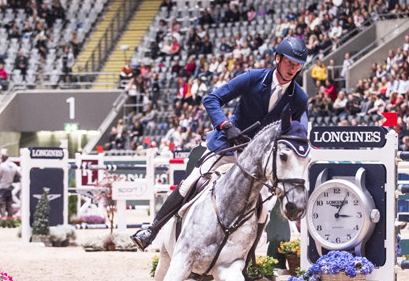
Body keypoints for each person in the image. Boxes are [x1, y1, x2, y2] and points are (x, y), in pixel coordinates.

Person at [130, 37, 310, 255]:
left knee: (265, 207)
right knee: (192, 182)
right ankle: (152, 230)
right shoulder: (253, 78)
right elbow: (211, 99)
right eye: (289, 62)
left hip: (256, 159)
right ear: (277, 58)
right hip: (227, 145)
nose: (293, 68)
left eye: (297, 65)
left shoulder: (298, 96)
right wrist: (226, 125)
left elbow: (301, 128)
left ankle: (251, 259)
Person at [0, 149, 20, 218]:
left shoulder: (2, 166)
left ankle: (3, 217)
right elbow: (20, 174)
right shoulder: (14, 165)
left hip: (3, 187)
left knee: (2, 203)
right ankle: (10, 218)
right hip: (9, 187)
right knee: (9, 203)